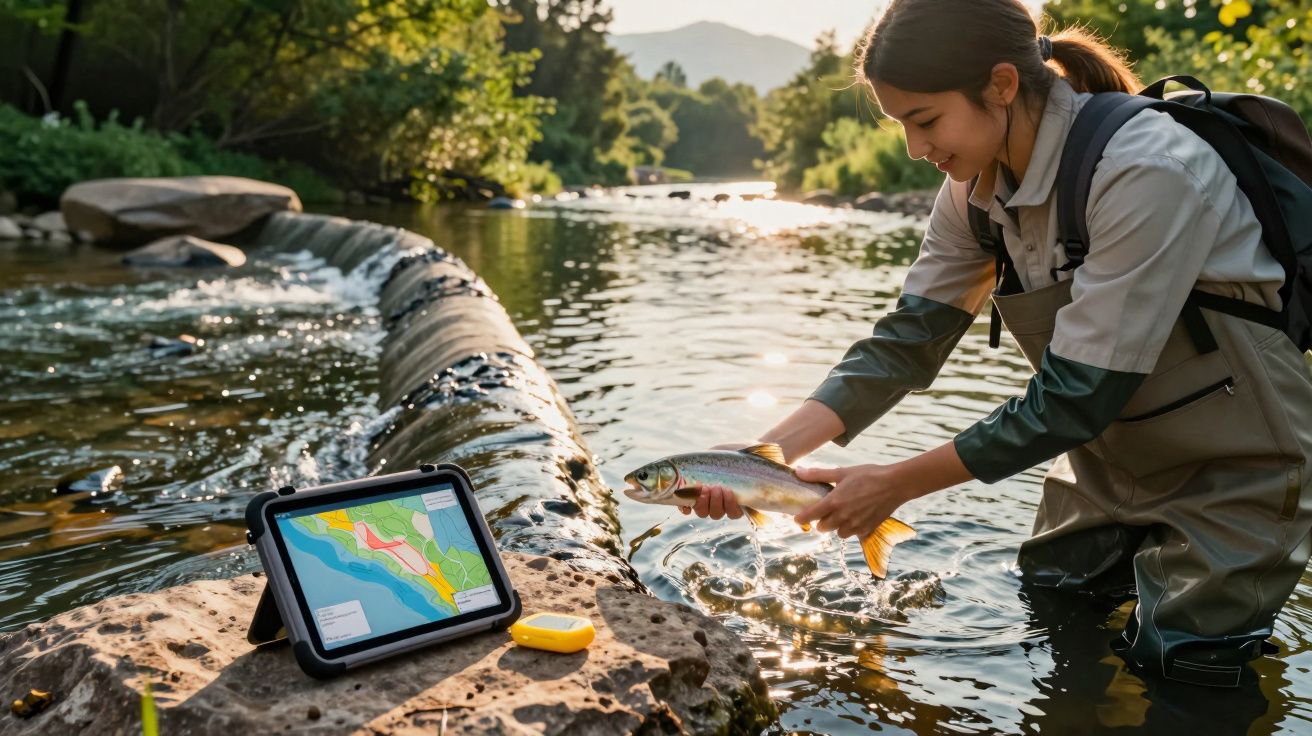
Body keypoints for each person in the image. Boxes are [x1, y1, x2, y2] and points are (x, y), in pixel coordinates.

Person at [683, 0, 1312, 687]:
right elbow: (905, 344)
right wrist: (752, 463)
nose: (915, 150)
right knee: (1053, 611)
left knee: (1183, 674)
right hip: (1105, 465)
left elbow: (1075, 396)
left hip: (1236, 469)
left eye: (925, 121)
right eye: (900, 125)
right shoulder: (971, 190)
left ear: (1003, 85)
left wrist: (891, 486)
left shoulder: (1148, 169)